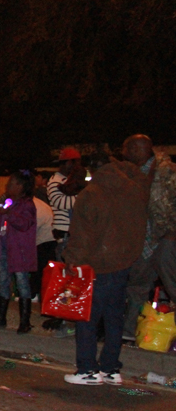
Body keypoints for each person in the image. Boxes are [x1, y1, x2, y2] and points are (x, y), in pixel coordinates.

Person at [62, 150, 147, 385]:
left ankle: (87, 369)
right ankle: (110, 368)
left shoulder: (92, 194)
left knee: (87, 317)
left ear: (91, 170)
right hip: (122, 261)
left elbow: (82, 235)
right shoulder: (132, 189)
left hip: (97, 264)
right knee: (114, 318)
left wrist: (72, 260)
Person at [121, 134, 176, 344]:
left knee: (172, 285)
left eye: (126, 149)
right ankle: (128, 330)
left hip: (166, 238)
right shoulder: (141, 172)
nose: (123, 153)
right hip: (147, 239)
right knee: (137, 286)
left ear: (137, 149)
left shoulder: (167, 171)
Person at [0, 170, 37, 333]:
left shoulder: (27, 205)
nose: (8, 186)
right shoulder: (8, 202)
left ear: (21, 186)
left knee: (22, 285)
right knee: (3, 282)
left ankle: (25, 321)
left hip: (20, 251)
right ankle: (0, 318)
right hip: (5, 248)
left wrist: (8, 213)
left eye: (11, 183)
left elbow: (24, 224)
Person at [45, 147, 86, 337]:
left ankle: (65, 315)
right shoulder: (55, 182)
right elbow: (61, 203)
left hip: (72, 234)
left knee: (71, 279)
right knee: (65, 279)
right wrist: (85, 198)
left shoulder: (70, 182)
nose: (77, 166)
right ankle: (62, 316)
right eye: (74, 162)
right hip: (64, 235)